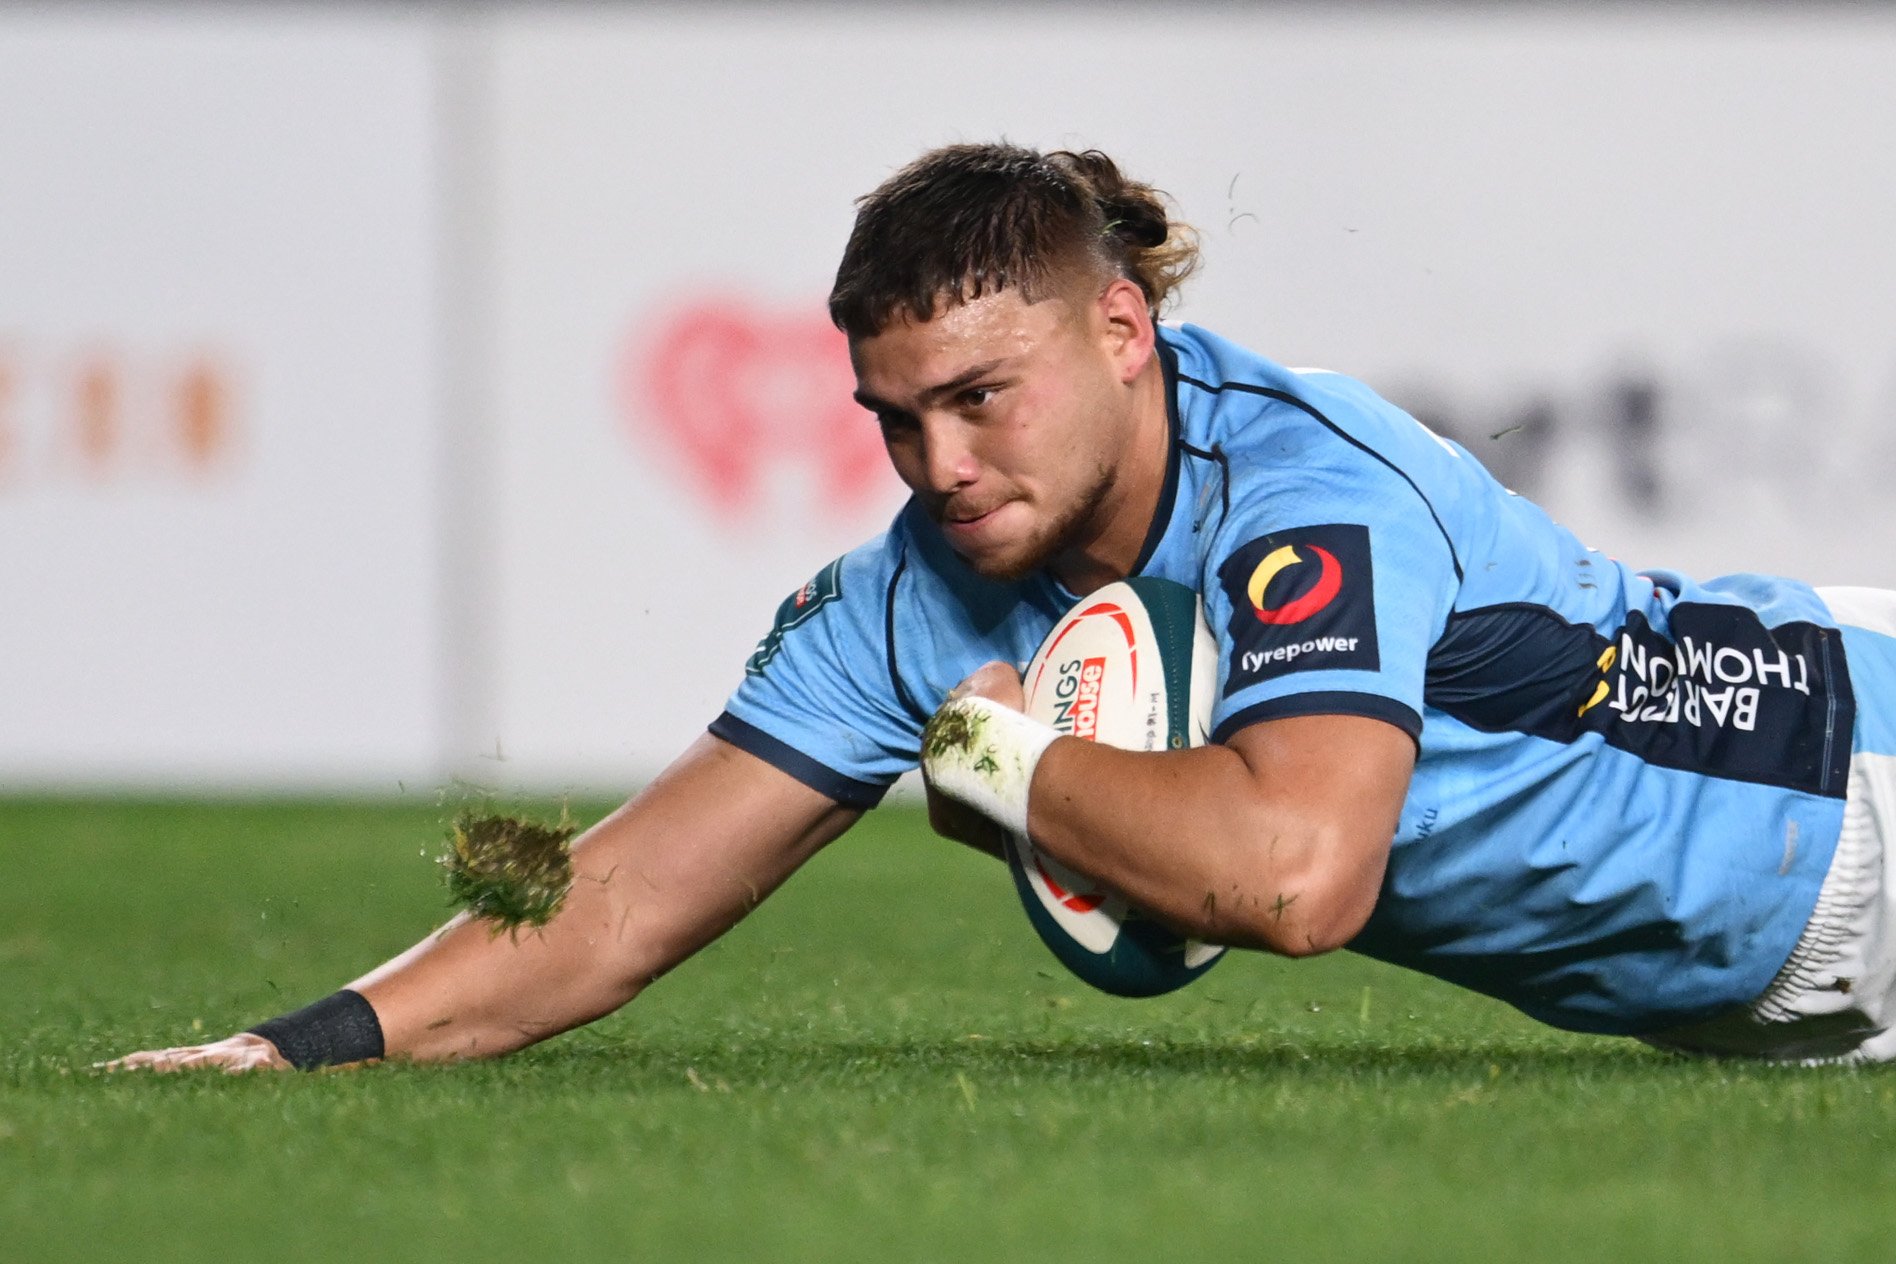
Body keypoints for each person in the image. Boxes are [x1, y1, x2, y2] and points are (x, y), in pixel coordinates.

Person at [108, 142, 1896, 1073]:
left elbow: (1296, 877)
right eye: (896, 418)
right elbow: (616, 900)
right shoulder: (908, 594)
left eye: (983, 395)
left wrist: (989, 757)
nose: (939, 461)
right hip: (1753, 1001)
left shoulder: (1306, 491)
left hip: (1854, 779)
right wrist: (292, 1046)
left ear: (1123, 334)